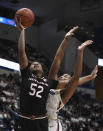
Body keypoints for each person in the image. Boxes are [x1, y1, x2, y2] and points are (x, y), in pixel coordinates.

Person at [47, 27, 97, 131]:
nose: (64, 76)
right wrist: (65, 40)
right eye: (63, 75)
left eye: (67, 77)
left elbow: (76, 78)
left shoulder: (63, 96)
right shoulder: (51, 83)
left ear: (68, 83)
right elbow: (57, 59)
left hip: (51, 126)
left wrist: (80, 51)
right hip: (37, 121)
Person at [14, 18, 58, 131]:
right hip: (24, 118)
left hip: (40, 120)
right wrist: (22, 31)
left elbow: (71, 82)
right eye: (33, 64)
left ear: (43, 70)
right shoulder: (27, 75)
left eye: (38, 64)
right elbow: (21, 51)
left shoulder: (49, 81)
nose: (35, 64)